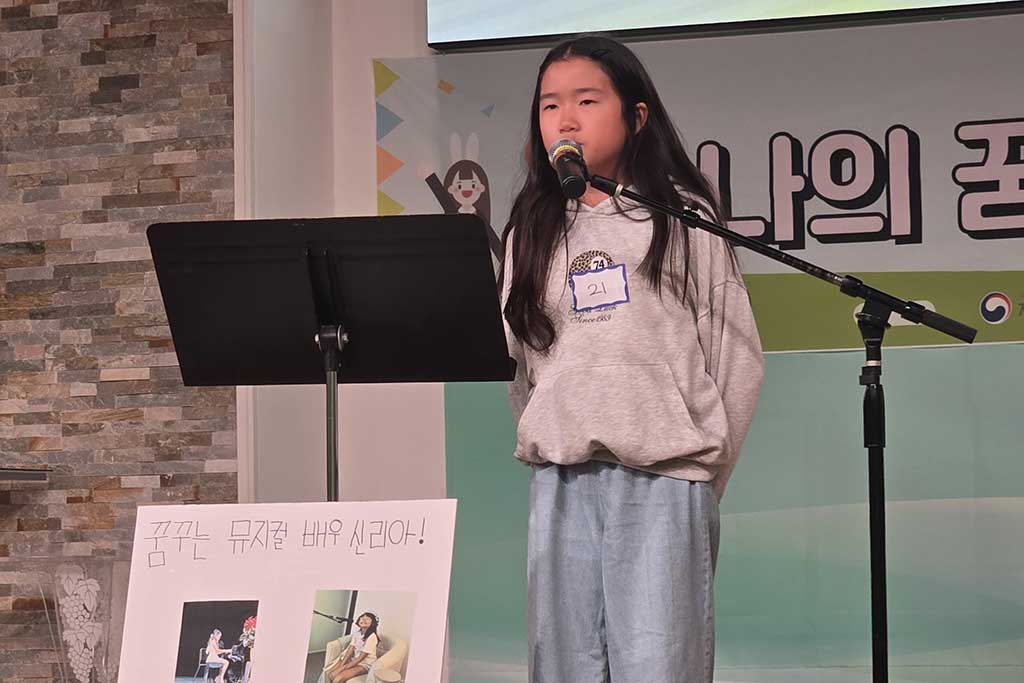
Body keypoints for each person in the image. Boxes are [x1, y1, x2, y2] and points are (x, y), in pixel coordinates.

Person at [499, 35, 765, 682]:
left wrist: (701, 476)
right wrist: (551, 430)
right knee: (564, 666)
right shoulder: (530, 230)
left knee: (659, 665)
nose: (565, 120)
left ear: (636, 115)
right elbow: (523, 367)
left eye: (587, 101)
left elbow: (735, 358)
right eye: (550, 105)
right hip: (561, 479)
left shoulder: (682, 219)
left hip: (665, 478)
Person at [324, 612, 380, 683]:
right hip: (354, 659)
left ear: (372, 623)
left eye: (367, 619)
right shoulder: (357, 633)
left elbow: (361, 658)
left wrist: (343, 668)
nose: (364, 620)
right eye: (362, 618)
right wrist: (342, 664)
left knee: (338, 678)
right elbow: (350, 649)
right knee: (329, 673)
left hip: (365, 664)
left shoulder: (372, 637)